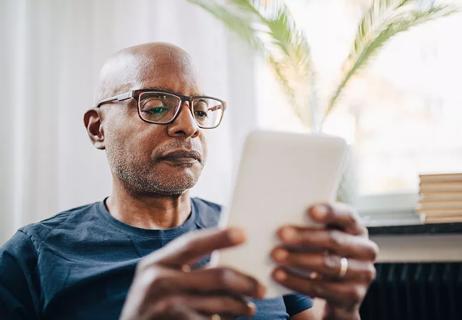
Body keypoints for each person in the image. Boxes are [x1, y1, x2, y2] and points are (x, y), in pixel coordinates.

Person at [0, 42, 378, 320]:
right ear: (98, 129)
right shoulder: (33, 256)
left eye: (199, 109)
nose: (189, 126)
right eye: (156, 106)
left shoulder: (257, 234)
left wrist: (344, 311)